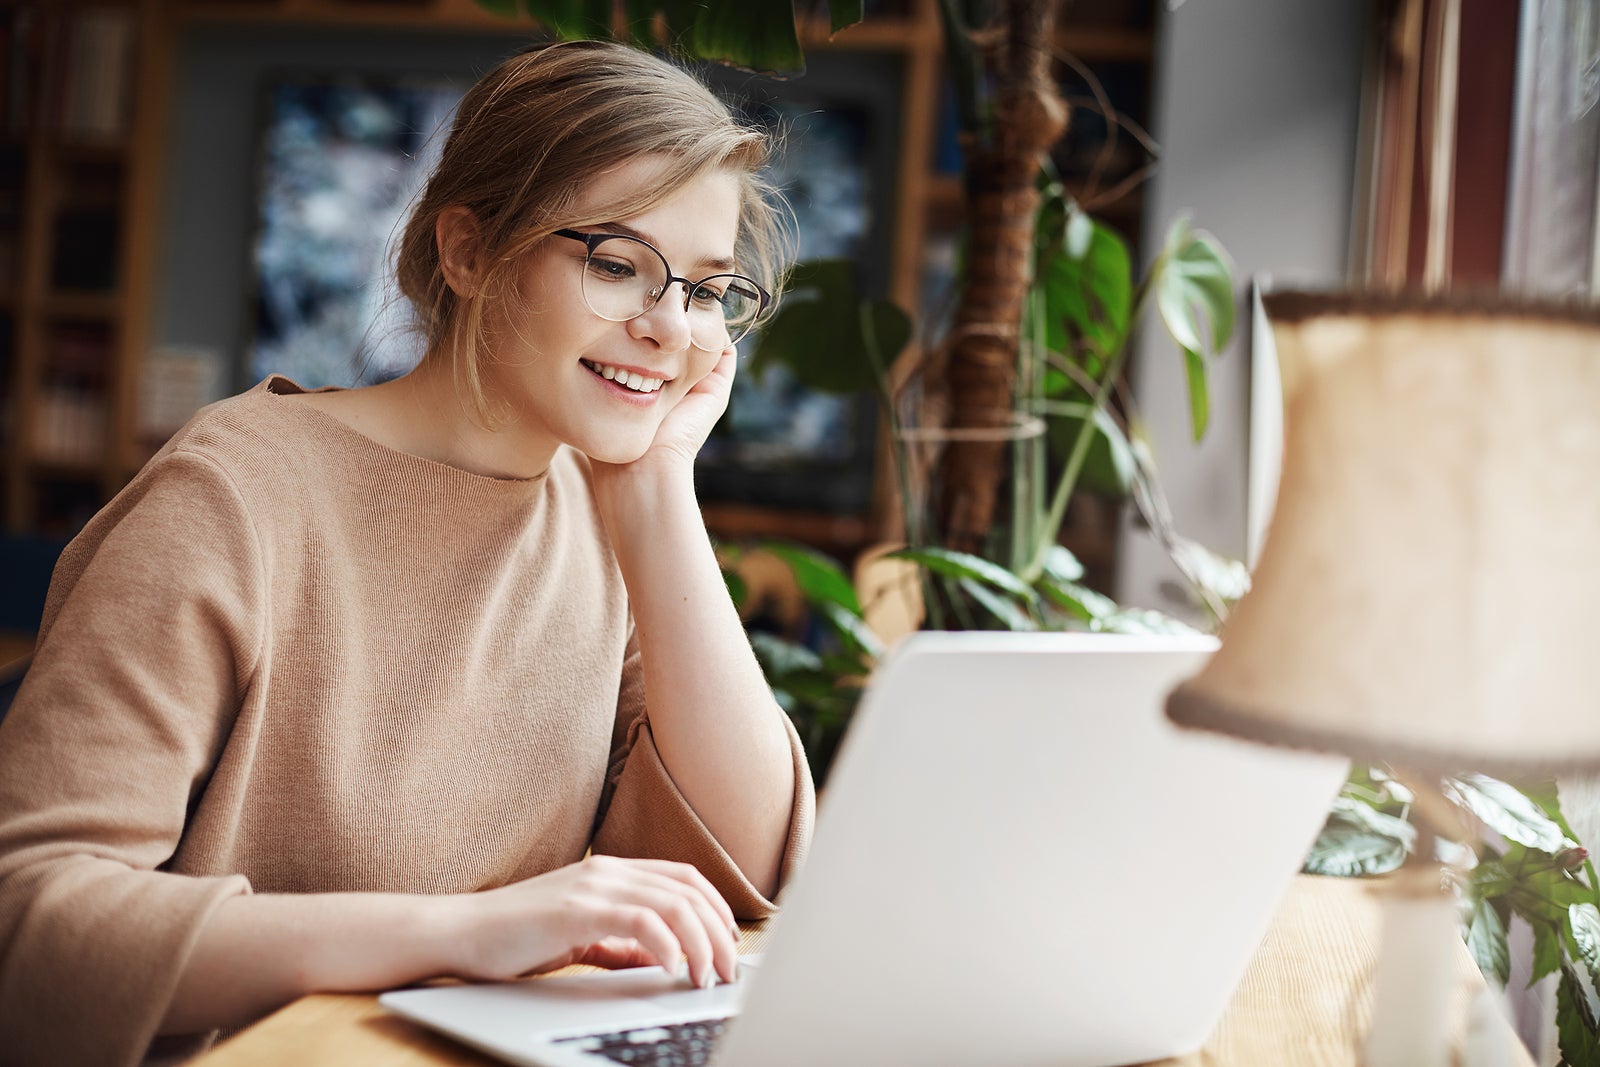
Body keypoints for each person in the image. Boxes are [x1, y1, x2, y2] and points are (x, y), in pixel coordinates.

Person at [0, 40, 814, 1066]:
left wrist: (657, 491)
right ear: (468, 253)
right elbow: (26, 918)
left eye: (705, 290)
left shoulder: (605, 511)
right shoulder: (232, 494)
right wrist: (461, 935)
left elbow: (741, 871)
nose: (670, 328)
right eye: (617, 265)